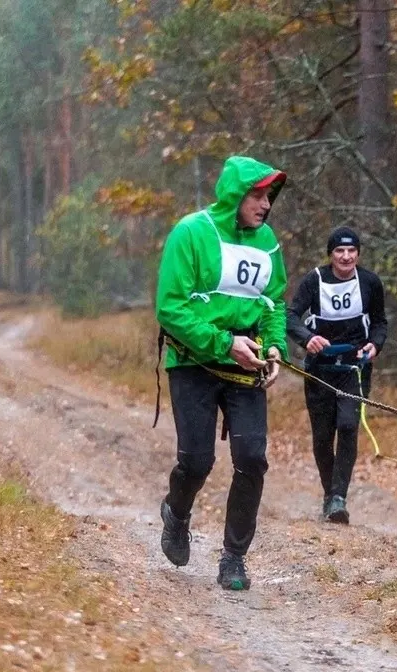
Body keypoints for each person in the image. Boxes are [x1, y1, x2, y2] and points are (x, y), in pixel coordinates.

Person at [155, 155, 288, 591]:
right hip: (193, 361)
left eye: (269, 195)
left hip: (246, 362)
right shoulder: (190, 233)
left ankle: (233, 558)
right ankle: (176, 512)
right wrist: (223, 343)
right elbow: (170, 308)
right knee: (197, 460)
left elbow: (274, 304)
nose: (265, 204)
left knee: (252, 459)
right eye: (257, 194)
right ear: (235, 194)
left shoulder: (267, 241)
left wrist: (273, 349)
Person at [286, 227, 388, 523]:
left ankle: (339, 497)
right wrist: (307, 338)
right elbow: (290, 316)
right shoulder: (314, 280)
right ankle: (329, 494)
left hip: (354, 369)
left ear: (358, 253)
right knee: (322, 436)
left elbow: (380, 322)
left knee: (347, 426)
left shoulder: (369, 282)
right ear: (330, 255)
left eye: (351, 251)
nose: (345, 257)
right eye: (339, 251)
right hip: (320, 370)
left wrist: (375, 345)